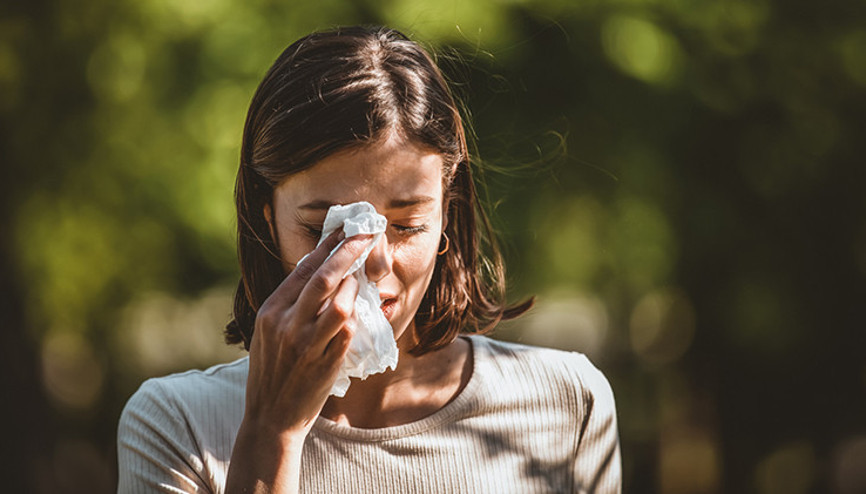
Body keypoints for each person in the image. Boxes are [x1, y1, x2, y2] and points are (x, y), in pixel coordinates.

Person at [117, 25, 621, 493]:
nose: (373, 263)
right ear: (265, 217)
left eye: (406, 226)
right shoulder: (178, 425)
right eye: (325, 229)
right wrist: (272, 433)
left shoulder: (567, 402)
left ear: (449, 212)